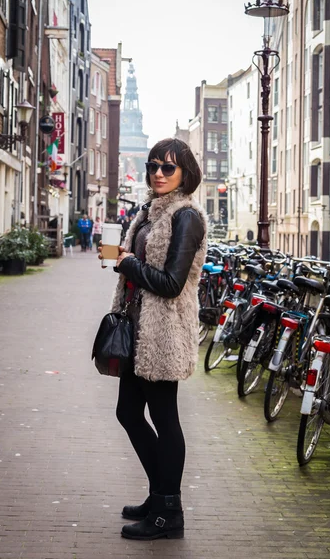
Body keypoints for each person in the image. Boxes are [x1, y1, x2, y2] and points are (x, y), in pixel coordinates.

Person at [98, 138, 206, 540]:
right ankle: (158, 494)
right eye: (153, 166)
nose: (158, 173)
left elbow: (172, 284)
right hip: (137, 328)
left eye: (168, 167)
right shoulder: (148, 212)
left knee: (165, 419)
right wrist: (121, 261)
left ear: (185, 174)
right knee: (128, 412)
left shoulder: (186, 217)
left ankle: (169, 513)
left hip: (162, 336)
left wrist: (129, 263)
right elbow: (141, 268)